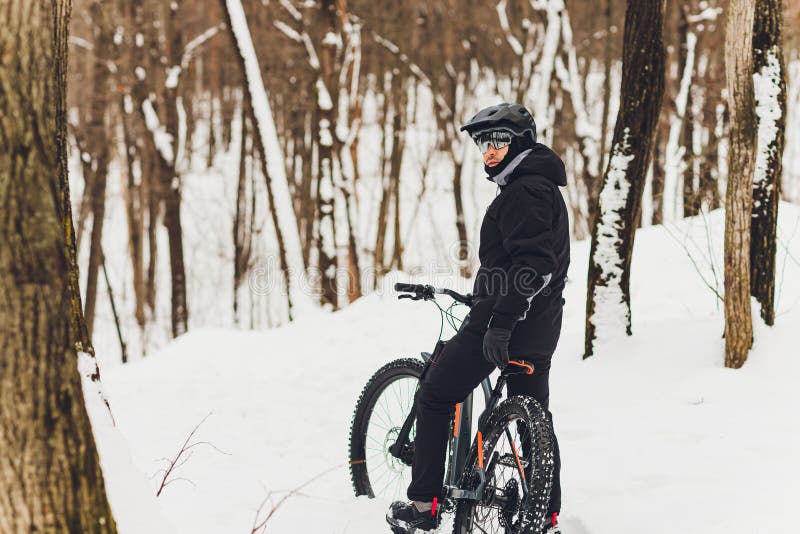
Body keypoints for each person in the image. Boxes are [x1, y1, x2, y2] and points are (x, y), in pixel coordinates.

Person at [386, 103, 570, 534]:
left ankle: (424, 506)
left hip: (502, 325)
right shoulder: (541, 187)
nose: (488, 151)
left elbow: (534, 266)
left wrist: (502, 318)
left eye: (498, 140)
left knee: (434, 394)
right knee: (535, 420)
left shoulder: (524, 191)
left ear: (520, 142)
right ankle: (544, 514)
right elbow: (530, 266)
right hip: (541, 327)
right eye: (483, 143)